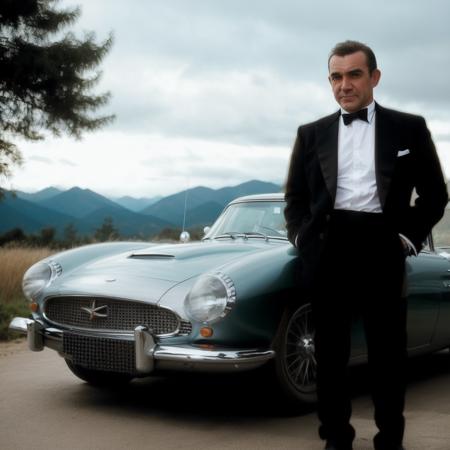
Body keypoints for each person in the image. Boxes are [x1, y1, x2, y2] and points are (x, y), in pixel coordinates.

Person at [284, 40, 448, 450]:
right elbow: (295, 199)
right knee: (330, 355)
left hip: (382, 245)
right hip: (329, 247)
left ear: (374, 77)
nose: (344, 85)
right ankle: (336, 437)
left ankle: (390, 438)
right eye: (336, 77)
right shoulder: (311, 134)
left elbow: (434, 194)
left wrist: (405, 239)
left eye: (354, 74)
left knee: (388, 356)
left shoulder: (409, 127)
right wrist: (302, 239)